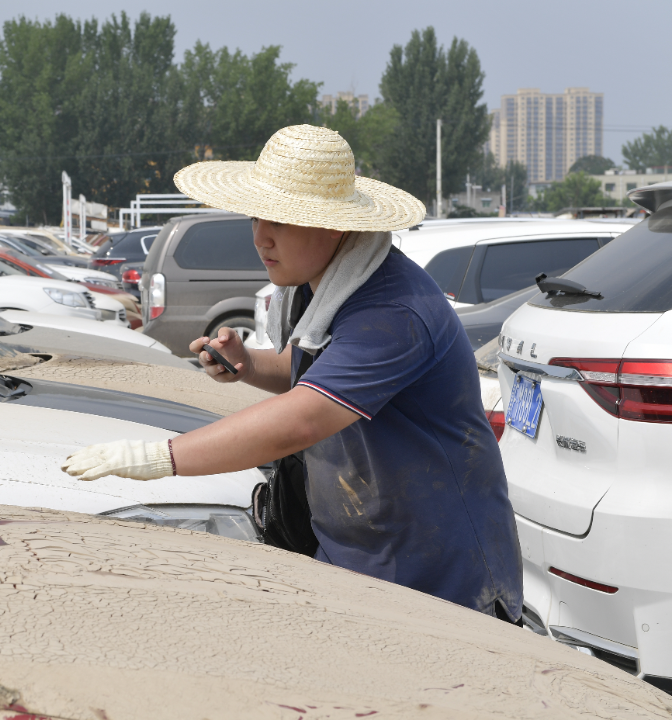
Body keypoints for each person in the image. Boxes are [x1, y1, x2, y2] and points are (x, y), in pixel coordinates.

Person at [62, 125, 522, 621]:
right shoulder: (321, 285)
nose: (261, 237)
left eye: (281, 220)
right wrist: (248, 363)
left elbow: (306, 417)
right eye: (256, 216)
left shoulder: (393, 311)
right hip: (358, 553)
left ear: (333, 226)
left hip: (438, 574)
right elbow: (319, 376)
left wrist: (156, 457)